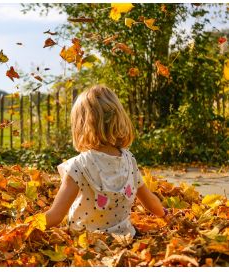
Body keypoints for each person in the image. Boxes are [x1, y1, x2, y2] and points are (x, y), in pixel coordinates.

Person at [44, 85, 166, 236]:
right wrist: (164, 213)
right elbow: (150, 203)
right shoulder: (129, 159)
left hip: (86, 241)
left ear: (81, 126)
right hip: (125, 237)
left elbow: (56, 216)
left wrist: (25, 226)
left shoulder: (79, 165)